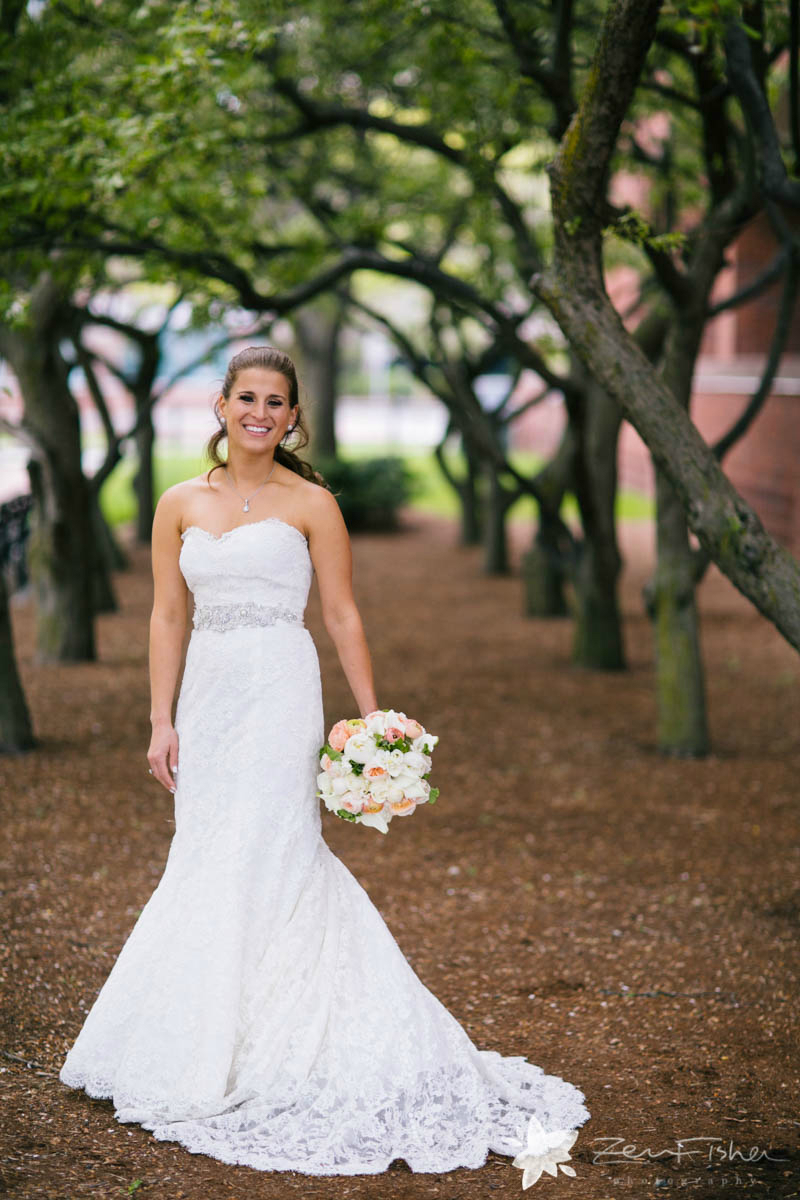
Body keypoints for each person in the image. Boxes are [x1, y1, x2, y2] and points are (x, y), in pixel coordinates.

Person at [59, 345, 590, 1177]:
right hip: (208, 696)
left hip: (278, 691)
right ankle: (201, 1039)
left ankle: (285, 1044)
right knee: (204, 850)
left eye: (277, 401)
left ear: (294, 416)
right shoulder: (176, 502)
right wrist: (159, 718)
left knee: (273, 849)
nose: (261, 413)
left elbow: (340, 614)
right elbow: (168, 616)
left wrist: (372, 718)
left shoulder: (313, 504)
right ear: (222, 405)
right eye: (248, 398)